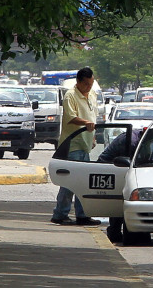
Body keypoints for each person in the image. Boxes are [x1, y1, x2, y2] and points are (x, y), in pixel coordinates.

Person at [50, 67, 101, 226]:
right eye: (86, 84)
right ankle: (60, 213)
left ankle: (83, 214)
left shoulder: (92, 94)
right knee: (70, 181)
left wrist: (92, 136)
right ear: (78, 82)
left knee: (83, 182)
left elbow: (93, 116)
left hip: (86, 143)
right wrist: (86, 124)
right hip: (73, 143)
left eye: (91, 84)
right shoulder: (70, 95)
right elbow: (71, 117)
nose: (88, 87)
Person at [98, 128, 145, 242]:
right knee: (119, 198)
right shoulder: (132, 142)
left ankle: (117, 231)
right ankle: (115, 231)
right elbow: (132, 164)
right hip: (107, 167)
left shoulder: (139, 137)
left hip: (118, 166)